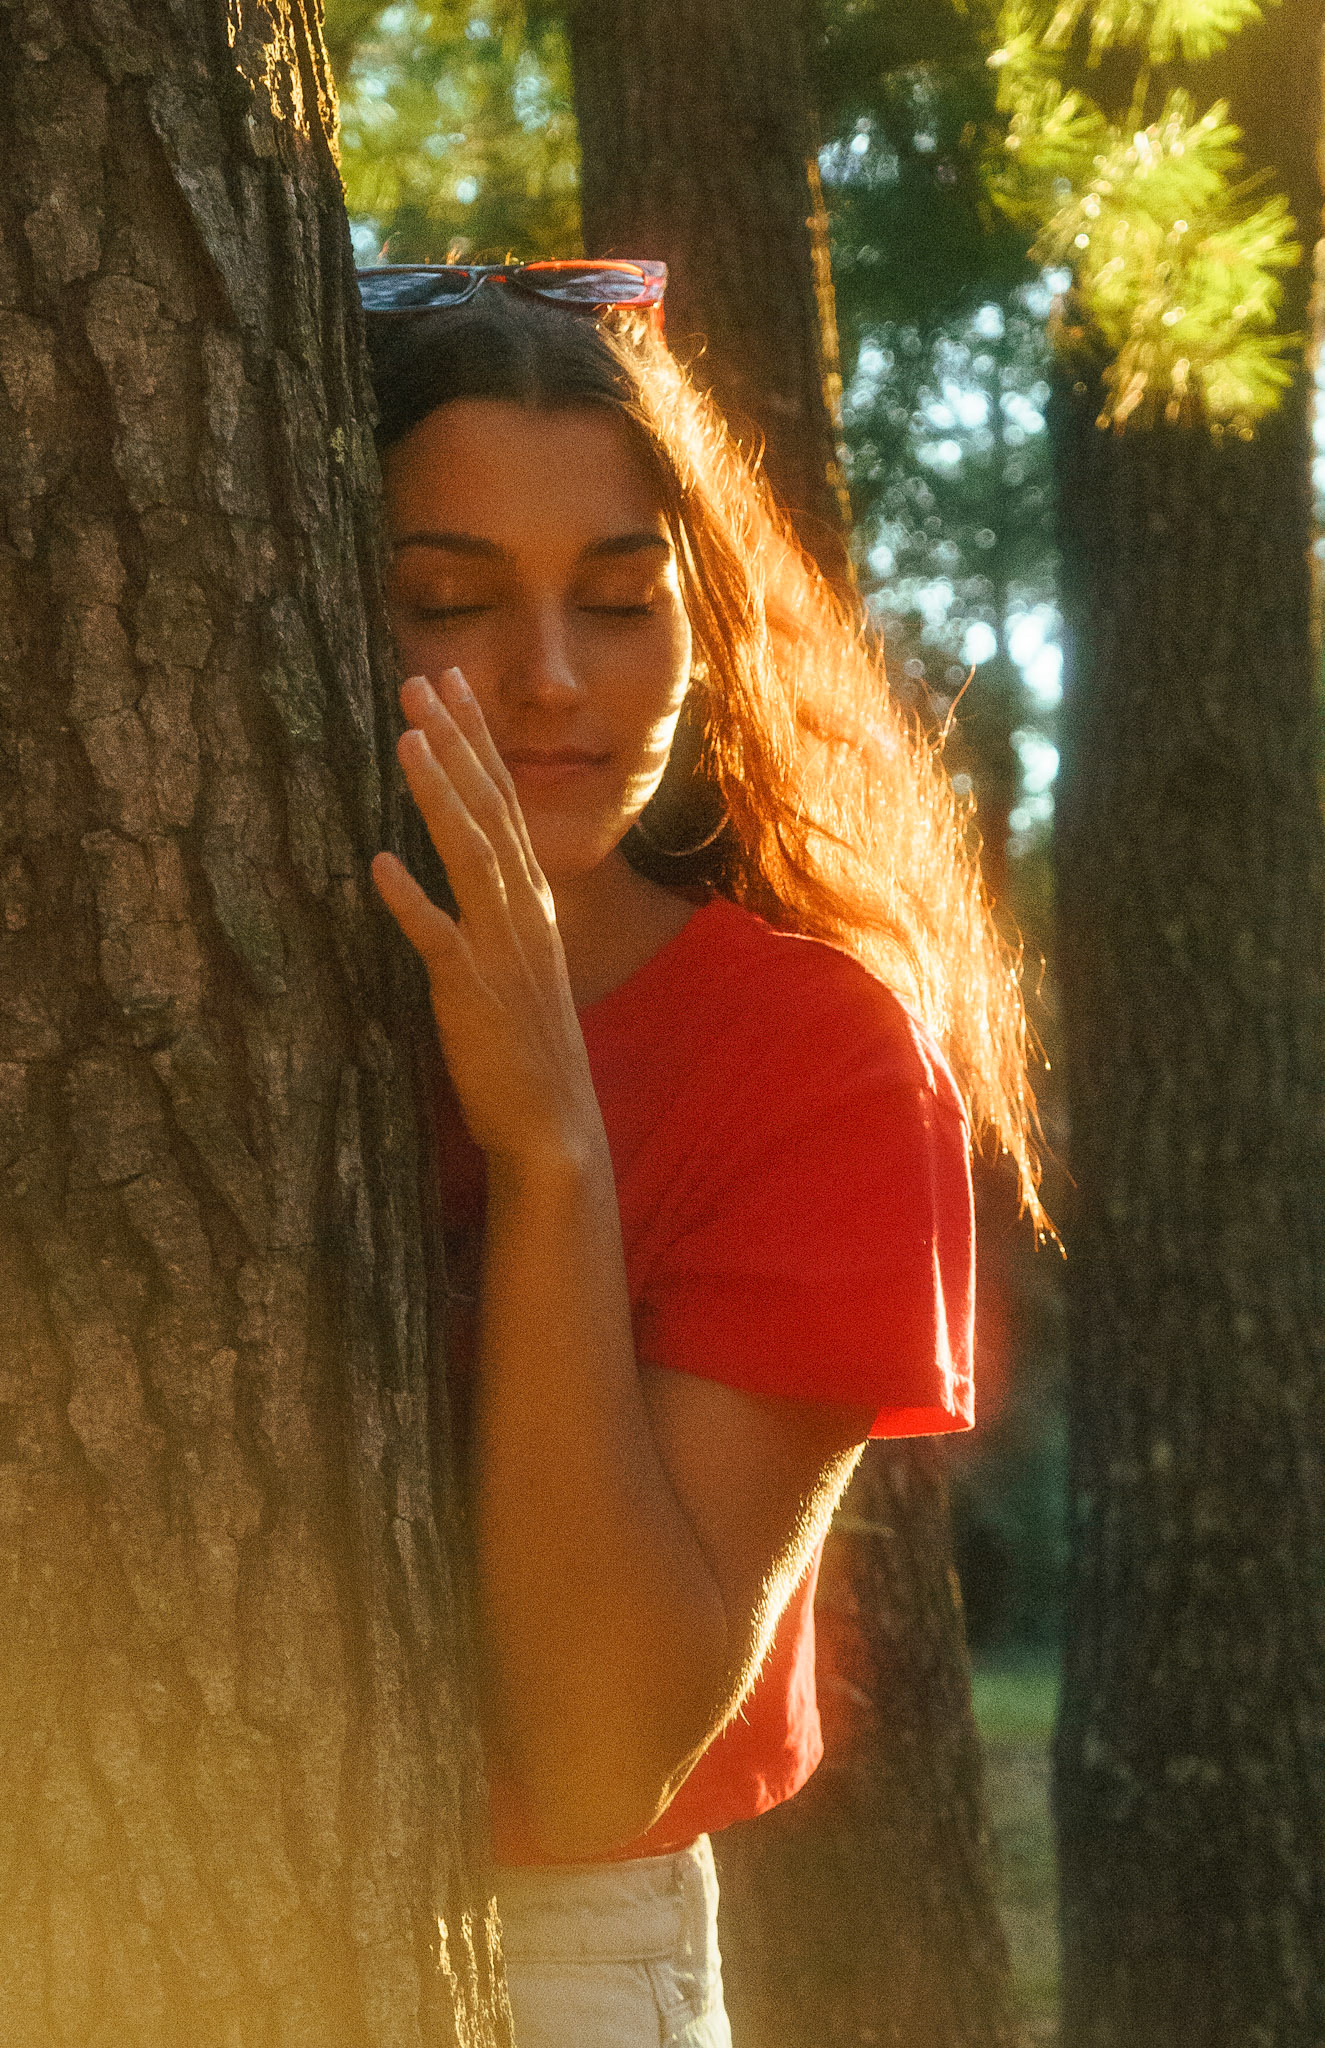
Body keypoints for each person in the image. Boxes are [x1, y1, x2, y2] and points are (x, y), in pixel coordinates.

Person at [359, 264, 1041, 2048]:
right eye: (448, 602)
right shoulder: (177, 968)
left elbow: (600, 1757)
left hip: (548, 1955)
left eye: (619, 601)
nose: (549, 680)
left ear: (701, 626)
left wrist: (550, 1152)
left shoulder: (813, 1056)